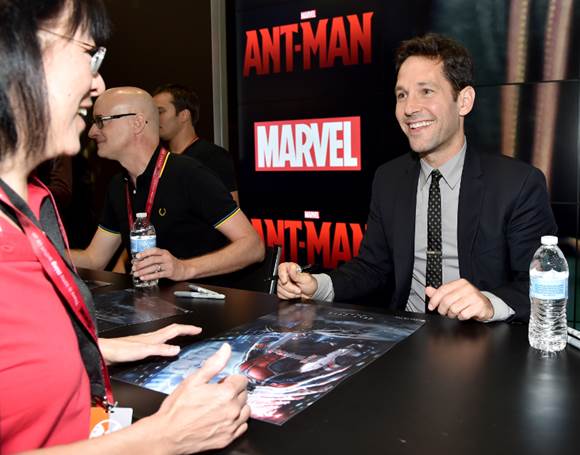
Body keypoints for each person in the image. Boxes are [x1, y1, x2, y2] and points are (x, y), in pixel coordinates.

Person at [0, 1, 249, 452]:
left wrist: (96, 348)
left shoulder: (33, 204)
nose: (97, 82)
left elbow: (252, 246)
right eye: (87, 53)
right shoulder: (113, 187)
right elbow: (96, 257)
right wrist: (161, 439)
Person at [277, 33, 557, 323]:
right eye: (402, 95)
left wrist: (488, 303)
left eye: (426, 91)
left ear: (464, 101)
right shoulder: (389, 179)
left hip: (481, 339)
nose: (409, 108)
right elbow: (372, 268)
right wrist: (318, 285)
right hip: (403, 332)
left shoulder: (517, 184)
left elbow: (542, 285)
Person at [70, 86, 264, 282]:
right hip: (147, 299)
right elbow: (94, 259)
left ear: (137, 123)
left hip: (202, 299)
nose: (92, 132)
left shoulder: (188, 173)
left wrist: (184, 269)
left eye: (101, 121)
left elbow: (253, 247)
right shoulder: (118, 185)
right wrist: (49, 250)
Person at [153, 83, 239, 204]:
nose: (153, 118)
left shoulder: (214, 157)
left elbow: (232, 209)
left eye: (160, 112)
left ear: (184, 115)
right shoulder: (157, 159)